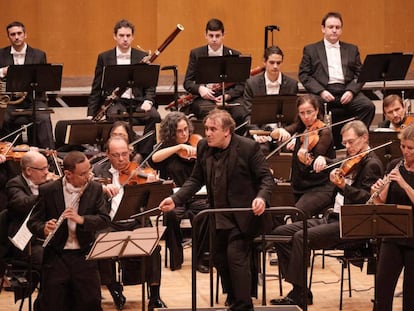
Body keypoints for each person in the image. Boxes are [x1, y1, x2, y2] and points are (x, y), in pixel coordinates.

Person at [159, 109, 275, 311]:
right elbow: (196, 180)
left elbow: (266, 179)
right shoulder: (204, 147)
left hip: (243, 216)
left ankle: (243, 305)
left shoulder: (248, 148)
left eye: (213, 129)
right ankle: (233, 296)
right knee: (219, 257)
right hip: (217, 214)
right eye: (206, 129)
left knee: (235, 256)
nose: (208, 133)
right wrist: (175, 199)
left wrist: (261, 198)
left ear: (227, 131)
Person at [270, 120, 383, 308]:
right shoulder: (351, 159)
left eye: (351, 142)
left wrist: (343, 186)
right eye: (344, 143)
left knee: (300, 237)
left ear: (365, 138)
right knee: (280, 233)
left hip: (351, 225)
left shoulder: (372, 164)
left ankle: (299, 295)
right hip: (332, 219)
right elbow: (333, 162)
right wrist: (317, 160)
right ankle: (300, 289)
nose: (347, 147)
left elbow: (366, 200)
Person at [27, 151, 110, 311]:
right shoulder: (48, 190)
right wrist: (44, 228)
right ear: (68, 174)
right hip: (57, 257)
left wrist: (82, 220)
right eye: (83, 173)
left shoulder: (95, 188)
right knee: (52, 303)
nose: (89, 176)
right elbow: (33, 223)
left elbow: (104, 220)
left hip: (84, 255)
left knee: (90, 302)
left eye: (89, 170)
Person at [93, 137, 166, 310]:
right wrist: (101, 188)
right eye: (116, 155)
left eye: (125, 154)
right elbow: (87, 187)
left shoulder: (138, 170)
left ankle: (154, 295)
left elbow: (153, 199)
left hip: (135, 221)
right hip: (109, 222)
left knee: (154, 246)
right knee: (100, 244)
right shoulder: (98, 171)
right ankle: (113, 288)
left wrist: (151, 184)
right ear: (107, 155)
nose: (121, 159)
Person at [299, 12, 375, 147]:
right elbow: (304, 75)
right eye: (330, 27)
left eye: (337, 27)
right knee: (310, 108)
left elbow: (360, 74)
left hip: (346, 89)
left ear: (341, 29)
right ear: (323, 28)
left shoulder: (352, 49)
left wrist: (351, 91)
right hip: (323, 91)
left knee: (367, 106)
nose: (334, 30)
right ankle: (319, 145)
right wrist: (321, 91)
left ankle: (355, 141)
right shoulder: (311, 49)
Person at [87, 19, 161, 158]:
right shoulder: (104, 57)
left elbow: (150, 84)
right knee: (114, 117)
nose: (125, 39)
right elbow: (96, 87)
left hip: (138, 101)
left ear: (133, 37)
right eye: (121, 35)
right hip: (116, 102)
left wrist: (149, 101)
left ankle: (143, 155)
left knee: (154, 116)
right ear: (115, 36)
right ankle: (119, 153)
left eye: (128, 35)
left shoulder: (142, 56)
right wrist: (91, 113)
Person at [150, 111, 209, 272]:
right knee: (170, 214)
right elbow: (154, 158)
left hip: (198, 195)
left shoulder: (198, 143)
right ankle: (176, 256)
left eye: (185, 129)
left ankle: (201, 258)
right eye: (179, 131)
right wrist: (178, 147)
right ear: (171, 132)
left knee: (205, 213)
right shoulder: (167, 148)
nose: (184, 134)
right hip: (175, 197)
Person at [268, 94, 335, 218]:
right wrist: (280, 131)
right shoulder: (301, 127)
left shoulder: (325, 132)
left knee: (297, 215)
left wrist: (304, 156)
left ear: (317, 110)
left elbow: (314, 161)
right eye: (302, 113)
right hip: (300, 185)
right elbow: (274, 134)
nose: (306, 117)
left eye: (309, 112)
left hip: (320, 186)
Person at [370, 125, 414, 310]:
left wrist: (403, 184)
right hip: (392, 235)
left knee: (411, 295)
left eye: (410, 148)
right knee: (382, 289)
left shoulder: (403, 176)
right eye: (403, 146)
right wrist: (377, 192)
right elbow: (381, 203)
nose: (405, 151)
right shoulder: (394, 165)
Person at [183, 18, 248, 132]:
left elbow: (242, 85)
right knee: (210, 111)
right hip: (204, 99)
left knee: (241, 112)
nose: (214, 39)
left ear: (223, 35)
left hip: (229, 98)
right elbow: (187, 82)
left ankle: (236, 144)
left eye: (217, 36)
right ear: (205, 35)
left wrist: (227, 95)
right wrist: (200, 89)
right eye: (211, 35)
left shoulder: (235, 55)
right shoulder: (196, 54)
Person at [0, 21, 55, 149]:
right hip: (9, 102)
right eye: (13, 34)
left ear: (25, 35)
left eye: (19, 33)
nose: (16, 37)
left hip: (33, 100)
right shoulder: (1, 54)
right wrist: (3, 71)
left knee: (43, 118)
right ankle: (8, 159)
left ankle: (48, 155)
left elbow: (43, 82)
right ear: (8, 37)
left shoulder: (39, 55)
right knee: (3, 119)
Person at [243, 45, 298, 152]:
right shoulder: (252, 84)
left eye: (278, 63)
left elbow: (294, 116)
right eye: (272, 62)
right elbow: (248, 114)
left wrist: (286, 131)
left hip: (282, 131)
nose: (275, 66)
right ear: (264, 62)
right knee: (260, 149)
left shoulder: (292, 84)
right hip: (261, 131)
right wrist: (256, 133)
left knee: (288, 148)